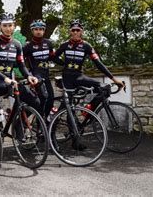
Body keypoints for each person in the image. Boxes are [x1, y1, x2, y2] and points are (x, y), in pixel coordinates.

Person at [52, 19, 124, 150]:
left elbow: (98, 63)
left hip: (79, 76)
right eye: (73, 30)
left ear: (81, 31)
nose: (75, 32)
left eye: (77, 30)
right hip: (67, 78)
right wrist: (63, 63)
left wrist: (113, 79)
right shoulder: (64, 45)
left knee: (104, 88)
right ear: (70, 31)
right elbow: (53, 57)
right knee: (66, 108)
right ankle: (58, 139)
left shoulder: (86, 46)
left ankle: (87, 114)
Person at [0, 12, 39, 122]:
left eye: (10, 25)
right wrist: (5, 79)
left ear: (14, 26)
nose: (8, 28)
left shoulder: (17, 44)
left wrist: (29, 76)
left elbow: (21, 65)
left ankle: (15, 123)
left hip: (10, 83)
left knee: (36, 102)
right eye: (5, 25)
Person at [23, 19, 56, 118]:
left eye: (41, 29)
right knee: (43, 98)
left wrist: (66, 63)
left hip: (46, 76)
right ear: (32, 31)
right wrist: (27, 75)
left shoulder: (48, 43)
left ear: (44, 30)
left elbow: (53, 58)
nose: (38, 31)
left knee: (50, 99)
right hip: (36, 77)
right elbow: (20, 62)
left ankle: (42, 121)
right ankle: (35, 120)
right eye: (36, 29)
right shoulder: (27, 46)